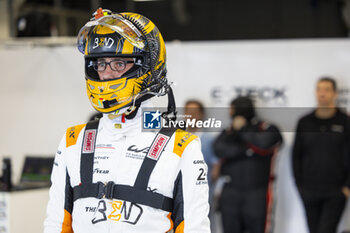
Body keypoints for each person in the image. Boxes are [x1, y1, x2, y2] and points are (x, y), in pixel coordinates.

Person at [44, 9, 210, 233]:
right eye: (101, 63)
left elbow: (195, 228)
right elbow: (56, 225)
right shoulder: (73, 141)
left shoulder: (182, 146)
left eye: (119, 64)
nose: (107, 73)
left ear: (148, 67)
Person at [214, 96, 282, 233]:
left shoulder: (266, 127)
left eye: (232, 109)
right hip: (231, 192)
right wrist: (247, 149)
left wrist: (243, 129)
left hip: (257, 193)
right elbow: (219, 150)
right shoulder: (229, 131)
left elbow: (265, 143)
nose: (229, 113)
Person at [292, 77, 350, 233]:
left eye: (326, 89)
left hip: (336, 190)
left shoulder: (345, 121)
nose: (322, 93)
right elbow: (296, 155)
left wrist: (347, 187)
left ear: (335, 94)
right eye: (319, 89)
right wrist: (299, 184)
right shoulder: (305, 122)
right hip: (309, 189)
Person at [183, 100, 220, 231]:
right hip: (180, 192)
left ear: (201, 115)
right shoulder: (178, 138)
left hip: (203, 193)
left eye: (194, 112)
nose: (191, 116)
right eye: (188, 112)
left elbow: (216, 168)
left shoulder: (209, 139)